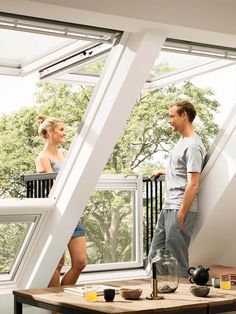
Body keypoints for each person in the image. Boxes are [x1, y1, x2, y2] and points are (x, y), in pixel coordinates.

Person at [148, 100, 206, 278]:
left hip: (180, 208)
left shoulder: (193, 146)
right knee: (155, 255)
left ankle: (183, 303)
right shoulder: (182, 142)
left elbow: (193, 183)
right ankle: (162, 295)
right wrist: (163, 171)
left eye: (172, 116)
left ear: (184, 116)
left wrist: (182, 212)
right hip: (168, 207)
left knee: (176, 260)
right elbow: (182, 170)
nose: (169, 120)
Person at [35, 115, 87, 287]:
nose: (65, 133)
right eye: (61, 129)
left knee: (80, 262)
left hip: (72, 211)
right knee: (56, 264)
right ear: (50, 131)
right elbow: (54, 188)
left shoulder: (64, 154)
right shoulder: (42, 158)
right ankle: (56, 309)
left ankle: (63, 301)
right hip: (56, 214)